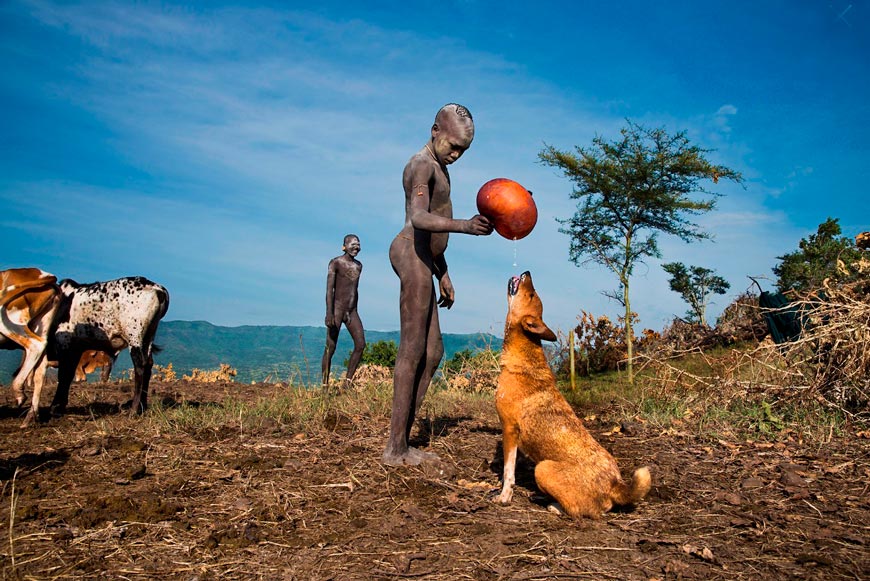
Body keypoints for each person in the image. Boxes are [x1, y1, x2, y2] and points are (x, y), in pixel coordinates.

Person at [383, 104, 493, 466]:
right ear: (435, 130)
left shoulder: (441, 168)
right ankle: (395, 449)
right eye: (453, 145)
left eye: (463, 150)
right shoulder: (421, 165)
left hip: (425, 261)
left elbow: (432, 230)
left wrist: (442, 272)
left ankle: (404, 440)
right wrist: (465, 226)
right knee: (412, 349)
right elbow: (418, 219)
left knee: (433, 354)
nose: (457, 154)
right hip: (409, 253)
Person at [322, 234, 365, 388]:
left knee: (360, 345)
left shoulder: (359, 266)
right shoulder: (335, 263)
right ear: (344, 246)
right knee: (331, 347)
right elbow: (329, 290)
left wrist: (353, 308)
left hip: (352, 311)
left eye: (358, 245)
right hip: (337, 310)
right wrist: (329, 313)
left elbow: (354, 289)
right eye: (352, 244)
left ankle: (347, 382)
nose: (356, 247)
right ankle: (325, 385)